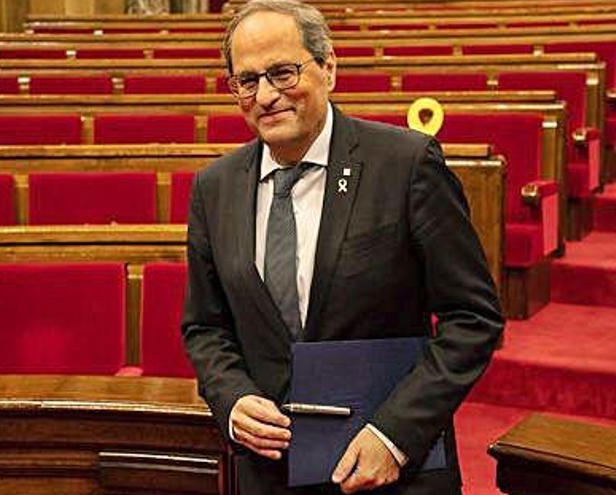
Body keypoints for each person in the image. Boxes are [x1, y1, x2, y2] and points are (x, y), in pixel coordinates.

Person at [180, 1, 504, 494]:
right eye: (247, 81)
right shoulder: (214, 188)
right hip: (269, 473)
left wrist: (395, 433)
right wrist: (232, 398)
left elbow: (473, 318)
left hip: (393, 472)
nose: (266, 95)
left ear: (328, 66)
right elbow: (206, 327)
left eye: (283, 72)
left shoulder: (406, 164)